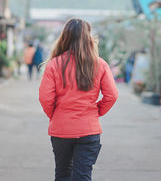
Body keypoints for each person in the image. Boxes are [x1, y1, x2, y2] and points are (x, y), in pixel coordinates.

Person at [39, 18, 118, 181]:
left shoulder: (54, 64)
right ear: (88, 37)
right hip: (89, 129)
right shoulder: (100, 64)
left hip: (61, 129)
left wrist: (55, 116)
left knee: (62, 174)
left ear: (64, 37)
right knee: (83, 176)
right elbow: (112, 95)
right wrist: (96, 112)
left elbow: (45, 98)